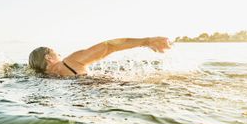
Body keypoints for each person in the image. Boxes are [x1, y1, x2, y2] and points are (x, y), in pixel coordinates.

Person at [28, 37, 171, 77]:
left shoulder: (43, 77)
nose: (60, 54)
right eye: (56, 53)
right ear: (48, 58)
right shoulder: (70, 62)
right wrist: (147, 41)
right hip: (98, 88)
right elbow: (109, 46)